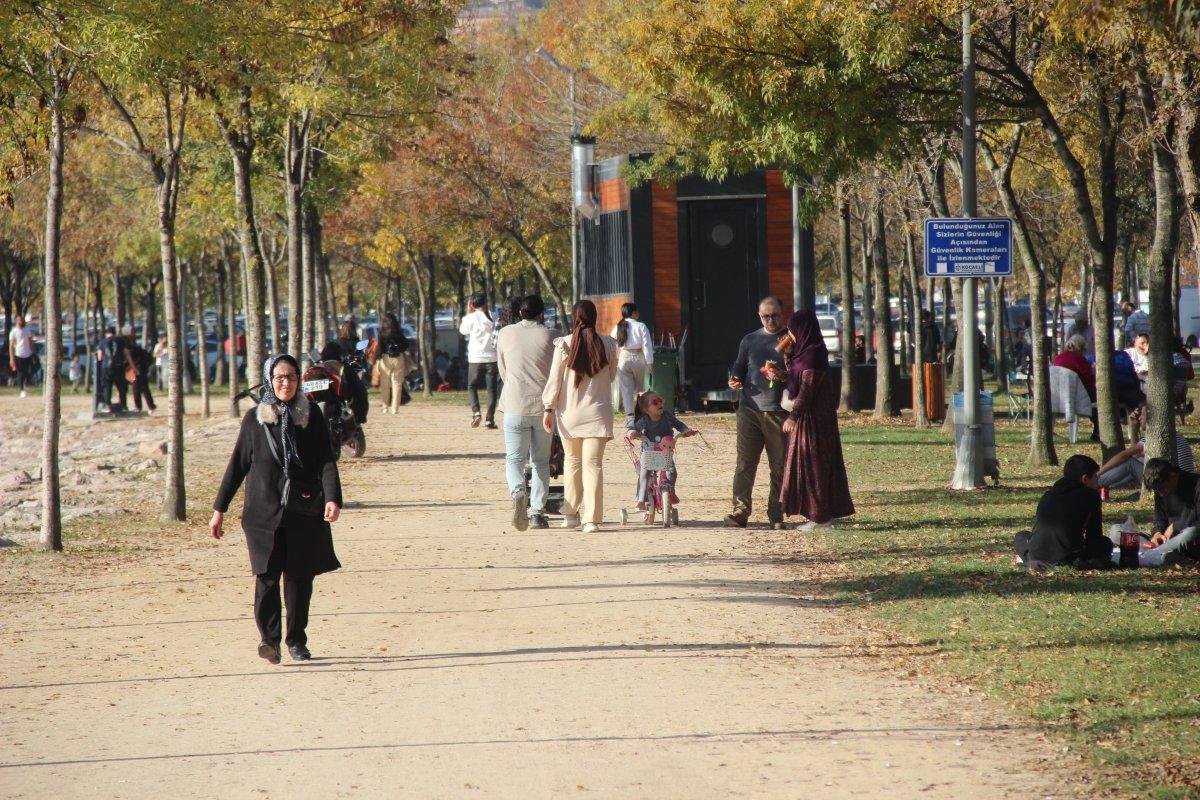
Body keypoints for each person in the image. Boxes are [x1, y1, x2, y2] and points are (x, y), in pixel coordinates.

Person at [209, 354, 343, 663]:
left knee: (298, 579)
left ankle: (296, 640)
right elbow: (237, 466)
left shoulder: (311, 416)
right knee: (266, 577)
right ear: (270, 379)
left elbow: (326, 461)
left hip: (303, 510)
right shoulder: (255, 418)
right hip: (262, 514)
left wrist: (333, 498)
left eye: (292, 377)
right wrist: (219, 510)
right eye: (280, 377)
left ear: (299, 381)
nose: (286, 383)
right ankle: (269, 640)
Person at [773, 309, 856, 530]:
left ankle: (820, 518)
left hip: (814, 421)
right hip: (808, 418)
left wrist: (793, 415)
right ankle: (819, 513)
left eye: (792, 328)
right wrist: (787, 359)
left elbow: (807, 389)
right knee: (810, 465)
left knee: (813, 466)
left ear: (802, 328)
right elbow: (796, 378)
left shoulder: (813, 354)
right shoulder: (804, 352)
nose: (789, 333)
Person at [541, 299, 617, 533]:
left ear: (574, 317)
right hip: (598, 413)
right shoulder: (609, 344)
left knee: (572, 462)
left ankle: (571, 514)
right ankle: (591, 520)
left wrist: (548, 408)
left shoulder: (564, 344)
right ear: (594, 317)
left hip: (569, 413)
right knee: (593, 465)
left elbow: (554, 381)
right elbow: (612, 376)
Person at [726, 296, 790, 530]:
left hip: (778, 412)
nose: (770, 320)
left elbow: (801, 372)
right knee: (745, 463)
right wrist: (735, 379)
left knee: (780, 466)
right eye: (765, 316)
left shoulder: (790, 339)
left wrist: (785, 376)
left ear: (782, 314)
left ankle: (776, 514)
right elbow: (739, 366)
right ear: (759, 316)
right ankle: (740, 511)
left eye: (774, 315)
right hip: (749, 410)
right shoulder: (750, 340)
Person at [497, 294, 556, 530]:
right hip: (543, 407)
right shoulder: (553, 335)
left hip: (514, 404)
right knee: (541, 461)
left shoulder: (505, 333)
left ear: (521, 313)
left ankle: (518, 490)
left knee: (514, 459)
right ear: (542, 314)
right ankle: (537, 513)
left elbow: (503, 368)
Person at [1013, 455, 1113, 570]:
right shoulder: (1091, 495)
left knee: (1021, 536)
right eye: (1095, 477)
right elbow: (1094, 536)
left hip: (1036, 554)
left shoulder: (1048, 495)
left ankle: (1031, 559)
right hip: (1068, 557)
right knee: (1105, 543)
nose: (1097, 482)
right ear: (1085, 479)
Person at [626, 390, 696, 520]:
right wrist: (633, 433)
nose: (660, 404)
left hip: (665, 452)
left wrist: (686, 430)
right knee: (645, 473)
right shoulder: (644, 420)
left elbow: (679, 424)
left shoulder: (667, 416)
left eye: (661, 401)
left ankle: (670, 491)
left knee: (672, 472)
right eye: (655, 402)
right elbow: (633, 428)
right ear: (646, 409)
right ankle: (641, 499)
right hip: (649, 452)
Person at [1098, 415, 1195, 490]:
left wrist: (1098, 473)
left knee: (1130, 463)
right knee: (1138, 461)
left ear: (1151, 416)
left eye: (1142, 414)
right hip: (1182, 479)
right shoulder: (1171, 434)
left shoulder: (1156, 436)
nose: (1139, 418)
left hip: (1170, 482)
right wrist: (1134, 430)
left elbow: (1124, 456)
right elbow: (1136, 456)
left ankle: (1096, 482)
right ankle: (1104, 486)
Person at [1138, 458, 1200, 566]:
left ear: (1173, 476)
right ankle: (1159, 553)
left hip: (1188, 538)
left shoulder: (1196, 485)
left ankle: (1152, 554)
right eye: (1157, 490)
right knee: (1118, 531)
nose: (1161, 493)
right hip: (1168, 541)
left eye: (1162, 488)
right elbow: (1160, 519)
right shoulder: (1160, 488)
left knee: (1191, 533)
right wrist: (1157, 533)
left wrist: (1175, 526)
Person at [460, 292, 499, 429]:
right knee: (492, 390)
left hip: (475, 358)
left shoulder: (470, 318)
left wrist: (467, 313)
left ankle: (476, 412)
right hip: (492, 358)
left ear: (472, 304)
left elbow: (463, 331)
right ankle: (490, 419)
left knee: (472, 386)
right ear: (485, 302)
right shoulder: (494, 316)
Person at [610, 302, 654, 415]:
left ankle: (629, 416)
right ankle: (640, 415)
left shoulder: (617, 327)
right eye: (637, 311)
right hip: (638, 357)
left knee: (626, 390)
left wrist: (613, 360)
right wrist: (650, 363)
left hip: (623, 358)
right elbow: (647, 346)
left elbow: (611, 344)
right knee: (640, 389)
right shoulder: (641, 326)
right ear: (634, 313)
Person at [1053, 334, 1100, 441]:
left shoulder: (1057, 358)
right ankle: (1098, 431)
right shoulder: (1080, 359)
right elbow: (1089, 380)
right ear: (1081, 348)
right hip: (1078, 395)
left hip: (1058, 395)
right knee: (1099, 400)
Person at [372, 313, 413, 414]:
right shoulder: (399, 332)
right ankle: (395, 408)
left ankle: (385, 406)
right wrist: (398, 347)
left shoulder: (382, 333)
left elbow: (380, 349)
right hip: (398, 358)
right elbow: (406, 345)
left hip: (385, 359)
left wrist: (377, 362)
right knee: (397, 384)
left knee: (385, 384)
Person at [128, 334, 156, 415]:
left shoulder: (131, 350)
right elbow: (150, 359)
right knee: (145, 389)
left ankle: (138, 407)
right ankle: (151, 406)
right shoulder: (140, 349)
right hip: (142, 370)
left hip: (135, 371)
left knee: (136, 389)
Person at [8, 315, 35, 398]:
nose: (21, 321)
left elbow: (31, 342)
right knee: (20, 373)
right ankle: (22, 390)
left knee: (28, 371)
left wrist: (33, 352)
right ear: (16, 321)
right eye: (19, 320)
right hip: (19, 354)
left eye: (22, 320)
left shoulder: (27, 330)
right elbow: (11, 346)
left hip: (28, 354)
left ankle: (25, 386)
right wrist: (12, 358)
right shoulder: (13, 332)